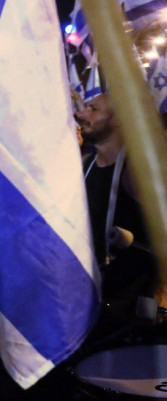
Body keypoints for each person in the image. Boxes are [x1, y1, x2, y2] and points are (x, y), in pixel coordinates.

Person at [74, 92, 158, 327]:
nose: (80, 114)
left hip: (127, 309)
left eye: (93, 109)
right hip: (91, 298)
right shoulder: (85, 165)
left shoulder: (138, 171)